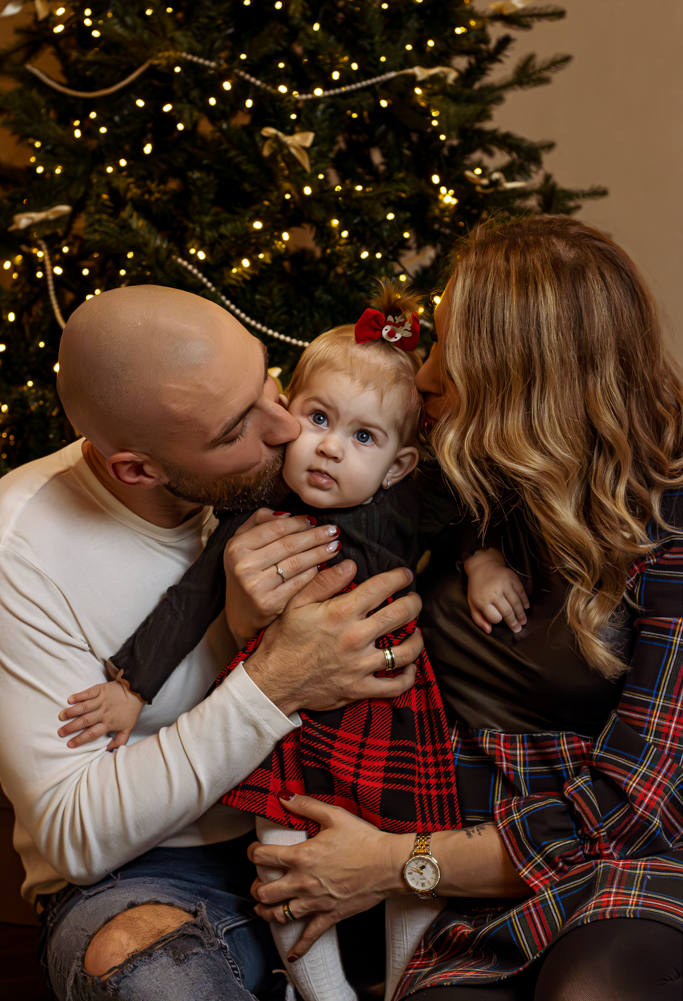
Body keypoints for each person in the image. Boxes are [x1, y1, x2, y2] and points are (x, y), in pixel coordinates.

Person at [240, 217, 683, 1000]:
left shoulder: (667, 520)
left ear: (517, 374)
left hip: (630, 868)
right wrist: (248, 598)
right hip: (467, 881)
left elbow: (635, 809)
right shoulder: (457, 475)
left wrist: (397, 862)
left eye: (446, 346)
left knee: (594, 987)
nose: (425, 372)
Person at [57, 283, 529, 1001]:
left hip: (391, 713)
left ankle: (406, 986)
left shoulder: (411, 500)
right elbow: (191, 598)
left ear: (399, 463)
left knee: (409, 840)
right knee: (284, 853)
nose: (329, 447)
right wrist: (131, 687)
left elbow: (473, 514)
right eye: (317, 418)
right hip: (286, 721)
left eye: (363, 437)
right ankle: (323, 993)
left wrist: (484, 562)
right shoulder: (256, 506)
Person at [0, 285, 426, 1001]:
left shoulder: (310, 475)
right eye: (235, 430)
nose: (287, 428)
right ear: (138, 469)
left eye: (267, 380)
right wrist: (272, 678)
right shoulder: (20, 549)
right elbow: (75, 837)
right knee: (143, 970)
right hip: (156, 872)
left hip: (344, 808)